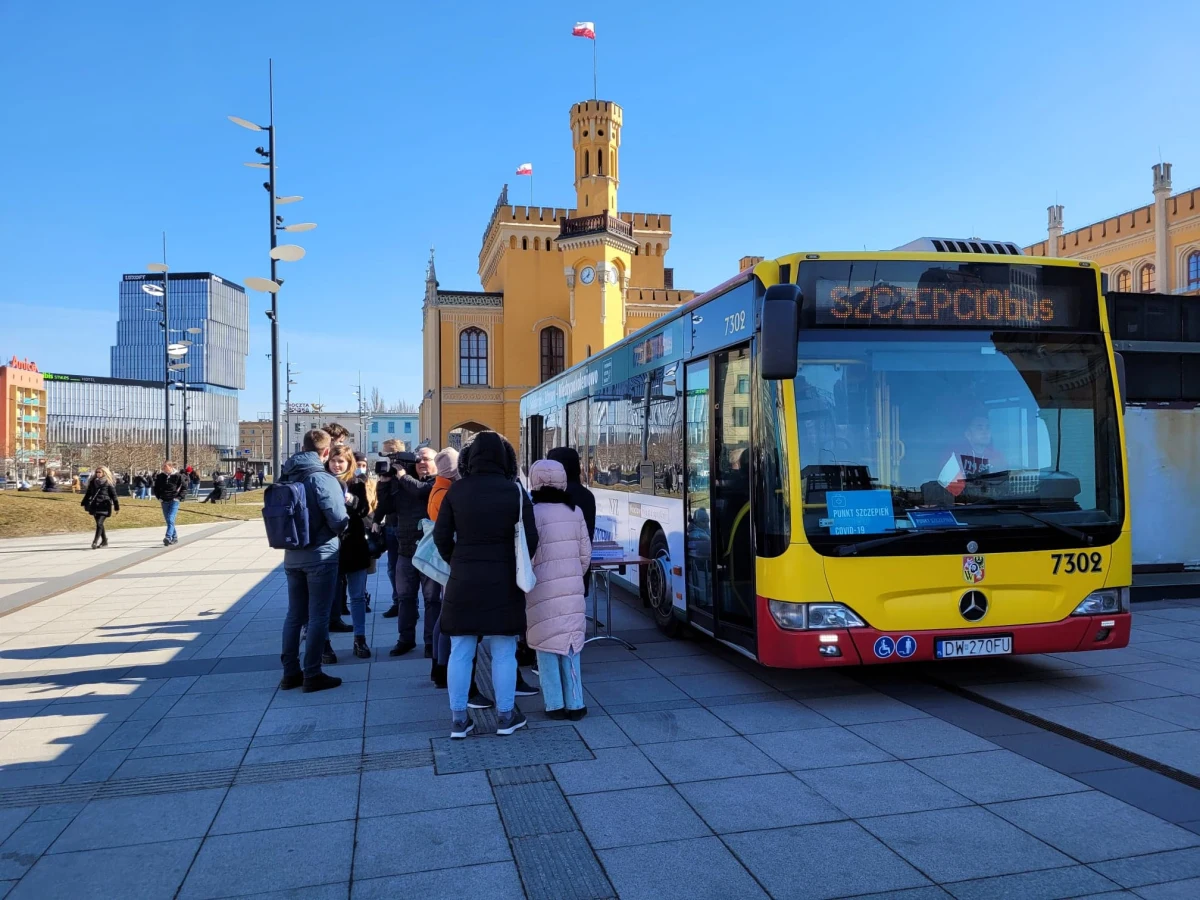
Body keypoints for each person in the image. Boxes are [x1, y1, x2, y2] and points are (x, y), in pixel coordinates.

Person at [434, 431, 538, 738]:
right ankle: (506, 716)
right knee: (504, 649)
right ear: (506, 458)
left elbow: (441, 536)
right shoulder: (514, 491)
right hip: (504, 578)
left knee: (461, 649)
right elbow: (531, 537)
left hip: (463, 578)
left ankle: (458, 719)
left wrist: (457, 560)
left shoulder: (456, 491)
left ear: (468, 459)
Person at [278, 429, 349, 693]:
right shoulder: (322, 478)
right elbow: (338, 518)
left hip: (291, 555)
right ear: (326, 451)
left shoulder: (286, 474)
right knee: (318, 615)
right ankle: (312, 673)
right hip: (321, 555)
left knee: (295, 615)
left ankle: (290, 673)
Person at [525, 459, 591, 720]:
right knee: (571, 646)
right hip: (572, 588)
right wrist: (573, 574)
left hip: (541, 590)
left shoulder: (532, 512)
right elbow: (585, 554)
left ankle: (554, 704)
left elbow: (526, 556)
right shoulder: (574, 511)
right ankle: (576, 704)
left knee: (546, 647)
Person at [375, 444, 438, 657]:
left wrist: (402, 477)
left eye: (426, 459)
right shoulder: (403, 483)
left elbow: (422, 492)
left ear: (436, 463)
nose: (421, 463)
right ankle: (405, 639)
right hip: (406, 549)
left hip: (430, 552)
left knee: (432, 599)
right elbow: (386, 507)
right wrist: (384, 483)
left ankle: (431, 642)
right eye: (418, 459)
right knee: (405, 598)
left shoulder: (438, 483)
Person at [327, 445, 375, 660]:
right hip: (329, 548)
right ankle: (324, 644)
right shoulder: (322, 482)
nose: (337, 465)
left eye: (341, 461)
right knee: (326, 597)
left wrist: (350, 499)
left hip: (354, 546)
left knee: (357, 597)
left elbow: (365, 511)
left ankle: (360, 639)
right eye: (333, 461)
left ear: (349, 463)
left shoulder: (357, 482)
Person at [426, 447, 459, 688]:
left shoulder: (439, 489)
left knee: (444, 617)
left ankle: (439, 664)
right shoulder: (446, 494)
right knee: (447, 618)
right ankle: (441, 667)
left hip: (446, 561)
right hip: (450, 564)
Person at [81, 465, 119, 550]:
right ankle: (104, 540)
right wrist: (84, 502)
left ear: (104, 473)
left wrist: (116, 506)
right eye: (96, 472)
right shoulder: (93, 482)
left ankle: (95, 541)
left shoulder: (108, 483)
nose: (98, 474)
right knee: (100, 524)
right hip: (95, 506)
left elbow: (114, 496)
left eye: (99, 472)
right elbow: (88, 493)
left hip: (104, 506)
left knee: (99, 523)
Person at [152, 461, 186, 546]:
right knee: (168, 520)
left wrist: (179, 497)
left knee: (171, 519)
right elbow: (156, 488)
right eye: (163, 467)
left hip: (174, 500)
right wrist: (159, 497)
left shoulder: (178, 476)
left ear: (170, 467)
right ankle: (174, 538)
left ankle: (168, 537)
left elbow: (184, 487)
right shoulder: (160, 476)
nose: (163, 468)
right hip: (164, 500)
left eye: (165, 466)